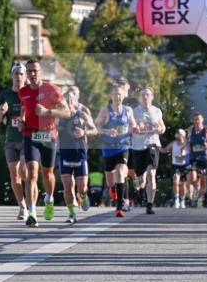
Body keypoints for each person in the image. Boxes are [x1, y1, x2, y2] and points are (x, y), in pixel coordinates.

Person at [19, 59, 71, 226]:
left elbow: (67, 112)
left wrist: (48, 111)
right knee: (32, 172)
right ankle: (32, 212)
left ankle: (49, 199)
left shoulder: (51, 89)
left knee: (47, 172)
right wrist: (21, 121)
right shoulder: (23, 92)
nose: (32, 74)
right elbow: (24, 110)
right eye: (29, 71)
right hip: (30, 134)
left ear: (40, 72)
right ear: (26, 74)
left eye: (35, 70)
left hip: (49, 135)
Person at [95, 82, 139, 218]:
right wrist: (106, 131)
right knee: (110, 180)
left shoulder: (128, 110)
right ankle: (112, 189)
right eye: (115, 94)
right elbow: (95, 127)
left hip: (123, 145)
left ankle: (119, 207)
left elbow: (133, 125)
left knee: (120, 172)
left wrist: (136, 128)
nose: (117, 97)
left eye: (120, 94)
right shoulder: (106, 110)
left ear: (123, 96)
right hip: (109, 148)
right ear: (111, 96)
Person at [58, 86, 98, 224]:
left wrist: (84, 133)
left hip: (80, 153)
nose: (69, 103)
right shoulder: (59, 116)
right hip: (64, 154)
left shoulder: (82, 114)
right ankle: (71, 214)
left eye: (71, 100)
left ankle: (84, 196)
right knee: (67, 186)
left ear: (76, 101)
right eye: (66, 100)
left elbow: (95, 130)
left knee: (82, 188)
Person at [0, 62, 29, 220]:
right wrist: (2, 113)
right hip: (10, 139)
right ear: (12, 76)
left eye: (22, 74)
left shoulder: (30, 93)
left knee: (24, 171)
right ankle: (22, 206)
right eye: (16, 74)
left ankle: (31, 203)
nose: (19, 77)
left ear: (25, 76)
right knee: (14, 176)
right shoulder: (5, 95)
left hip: (26, 138)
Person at [130, 87, 165, 215]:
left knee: (151, 174)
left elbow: (162, 127)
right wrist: (135, 128)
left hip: (153, 144)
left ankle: (149, 205)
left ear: (152, 97)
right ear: (139, 98)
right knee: (142, 179)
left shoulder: (157, 111)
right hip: (138, 146)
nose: (145, 97)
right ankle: (139, 189)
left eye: (148, 95)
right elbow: (129, 128)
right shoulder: (133, 112)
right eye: (143, 95)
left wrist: (160, 129)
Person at [185, 112, 207, 207]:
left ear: (202, 120)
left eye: (198, 119)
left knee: (203, 182)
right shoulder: (190, 129)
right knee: (192, 178)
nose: (197, 121)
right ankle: (194, 193)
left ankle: (199, 199)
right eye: (195, 119)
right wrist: (188, 145)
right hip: (194, 158)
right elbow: (187, 140)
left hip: (203, 159)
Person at [160, 129, 188, 208]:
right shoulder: (173, 143)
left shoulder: (186, 143)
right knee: (176, 182)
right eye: (176, 134)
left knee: (183, 184)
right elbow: (165, 150)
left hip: (184, 166)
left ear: (182, 135)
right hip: (175, 165)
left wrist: (184, 154)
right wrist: (157, 147)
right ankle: (176, 199)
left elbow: (189, 152)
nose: (177, 135)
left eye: (178, 134)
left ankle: (182, 200)